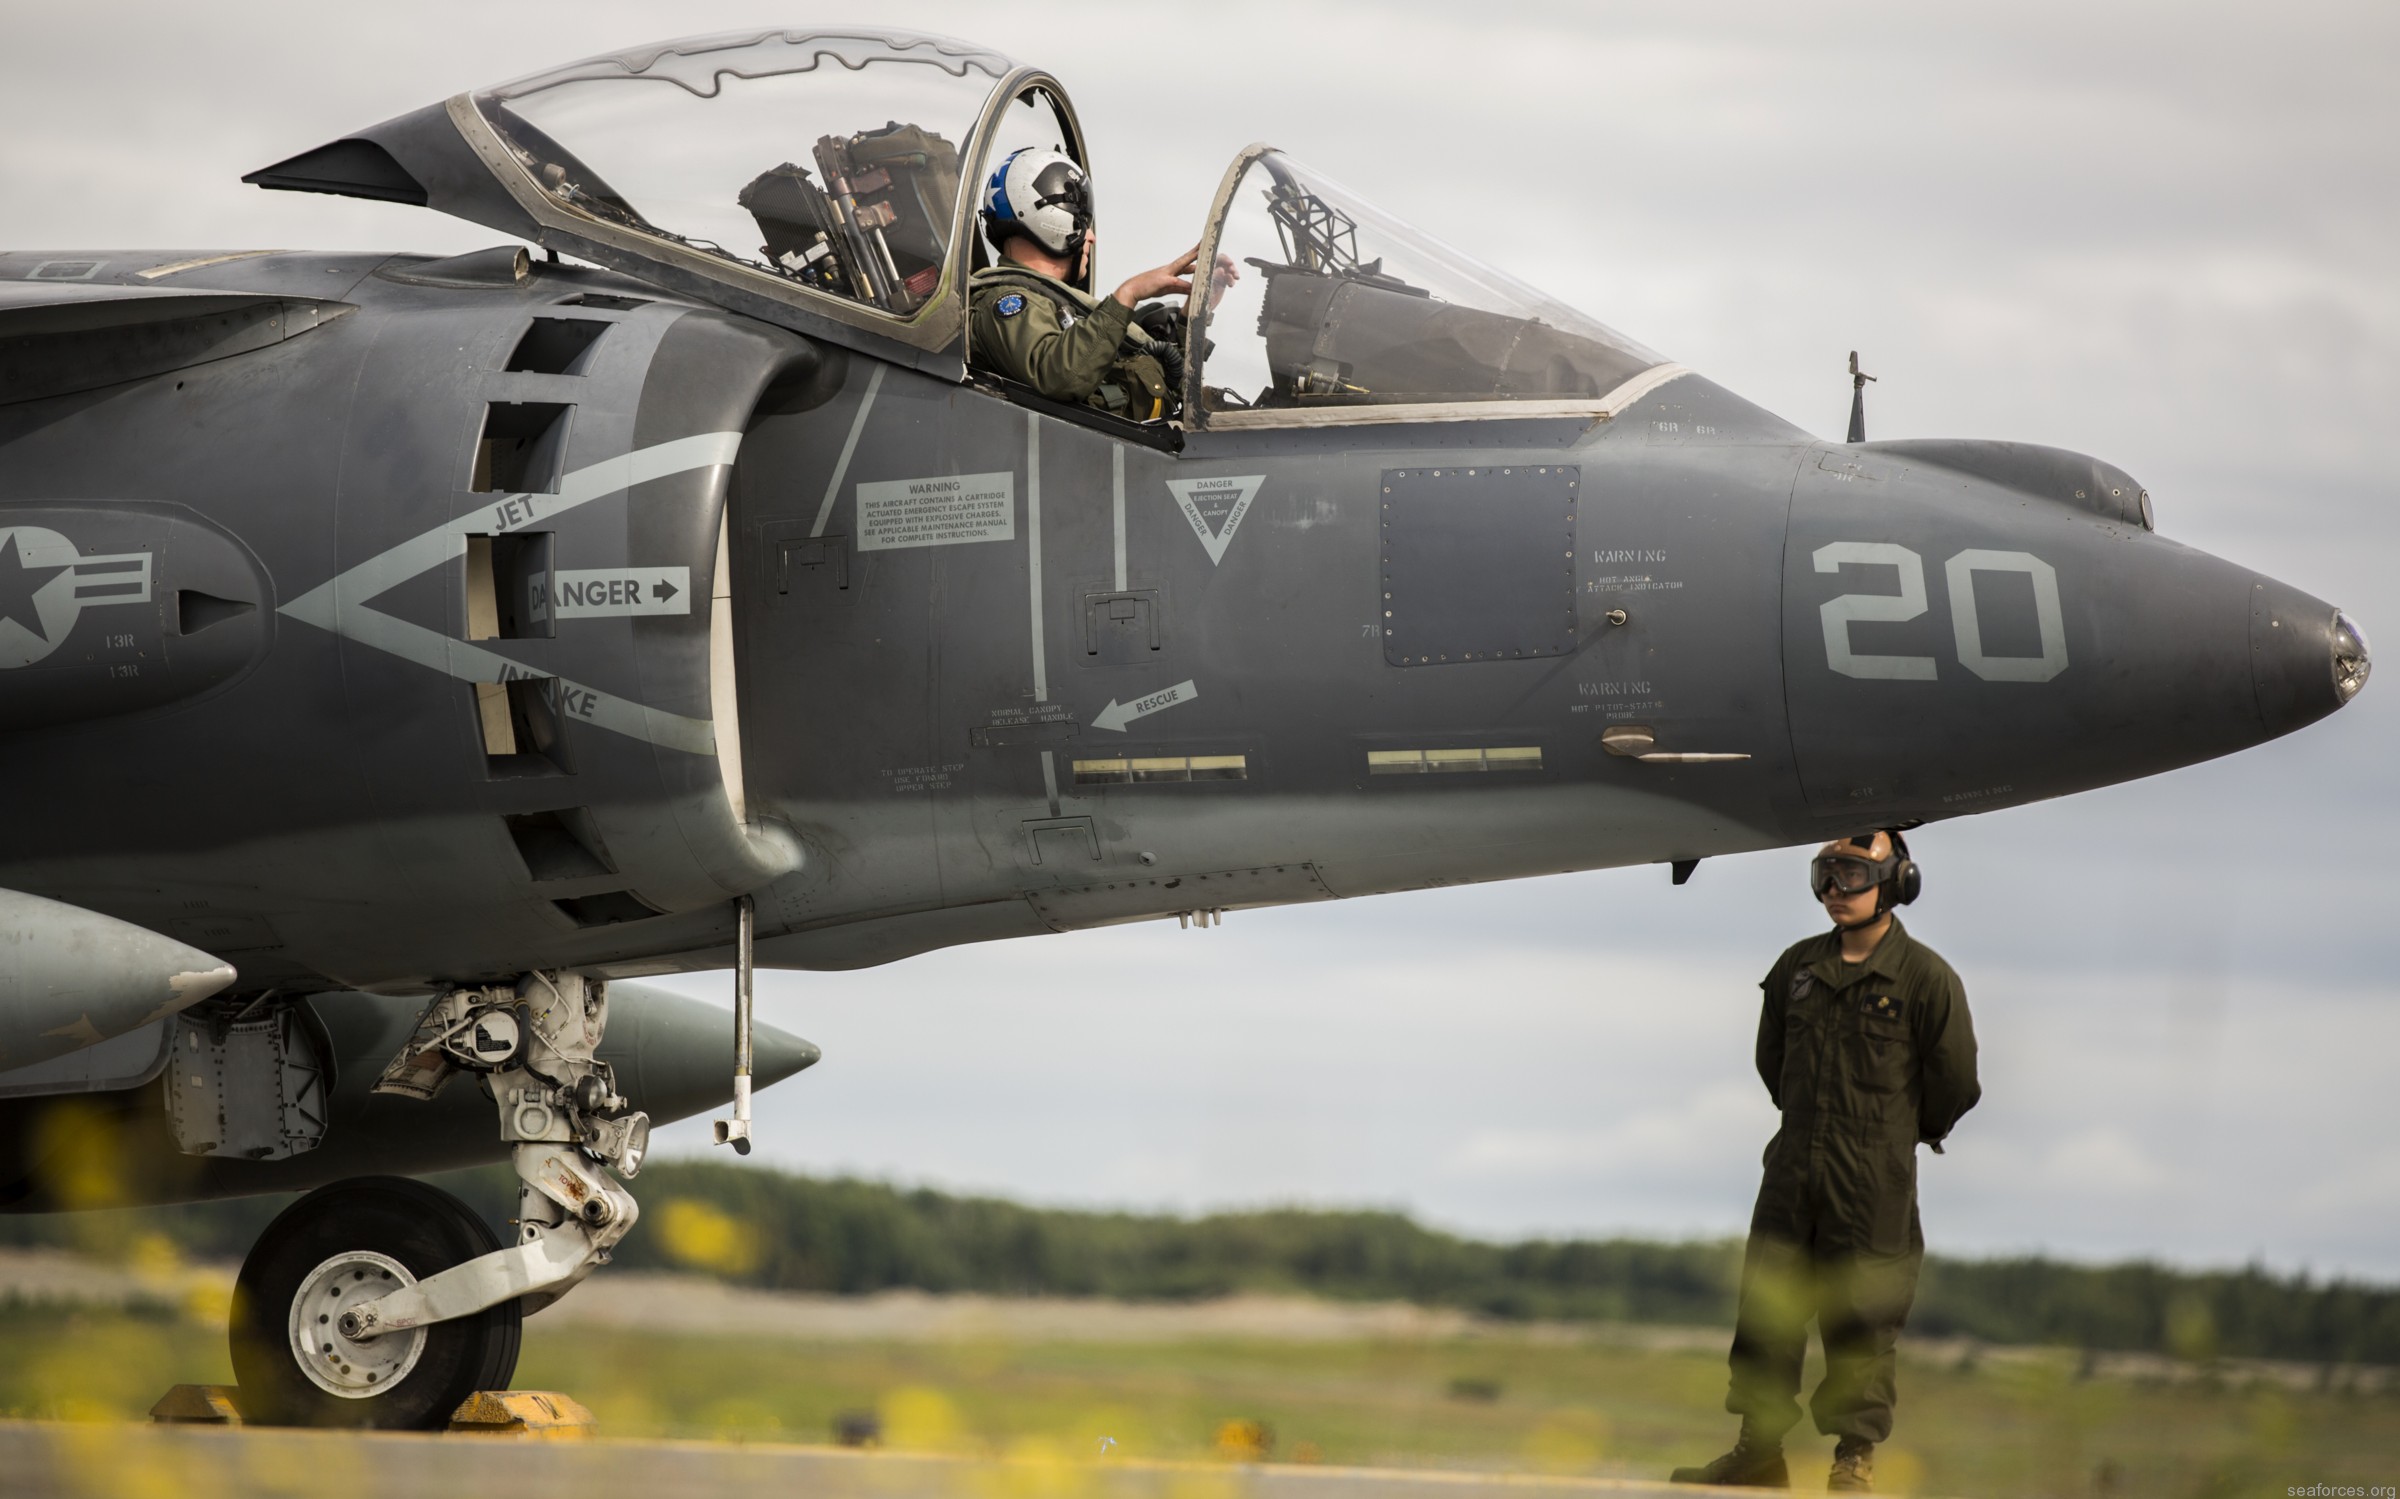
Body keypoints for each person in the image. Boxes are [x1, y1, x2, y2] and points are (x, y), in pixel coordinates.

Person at [1670, 830, 1980, 1493]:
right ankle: (1758, 1451)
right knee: (1768, 1306)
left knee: (1863, 1316)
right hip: (1792, 1168)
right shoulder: (1798, 968)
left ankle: (1852, 1461)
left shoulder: (1925, 978)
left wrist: (1897, 1137)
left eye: (1851, 874)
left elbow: (1954, 1080)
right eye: (1824, 875)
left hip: (1873, 1178)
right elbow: (1772, 1059)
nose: (1834, 891)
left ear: (1897, 880)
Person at [968, 147, 1232, 420]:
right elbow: (1061, 377)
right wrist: (1128, 295)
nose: (1091, 237)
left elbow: (1163, 389)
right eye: (1082, 222)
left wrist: (1197, 308)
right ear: (1049, 219)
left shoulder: (1064, 312)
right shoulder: (1006, 305)